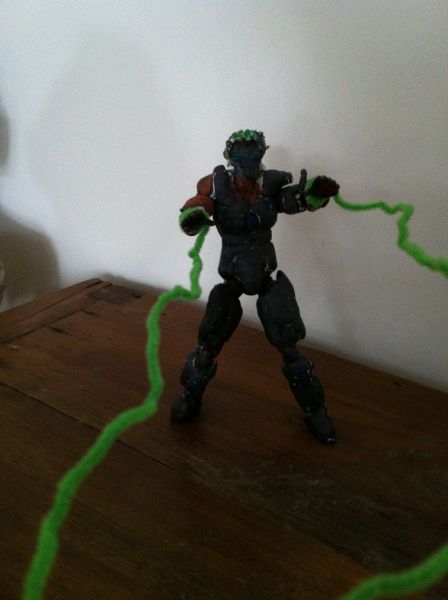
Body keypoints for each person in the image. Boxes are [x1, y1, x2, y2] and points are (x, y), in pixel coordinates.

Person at [171, 129, 339, 444]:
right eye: (241, 155)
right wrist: (193, 217)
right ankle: (190, 394)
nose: (247, 161)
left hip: (264, 276)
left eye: (253, 154)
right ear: (230, 157)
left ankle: (315, 409)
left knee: (288, 345)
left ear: (261, 154)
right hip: (232, 276)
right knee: (209, 343)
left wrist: (316, 192)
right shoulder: (216, 185)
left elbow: (294, 200)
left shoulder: (270, 185)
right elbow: (198, 206)